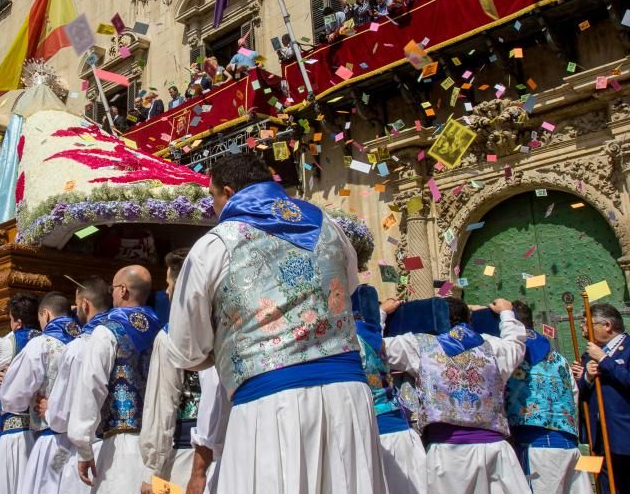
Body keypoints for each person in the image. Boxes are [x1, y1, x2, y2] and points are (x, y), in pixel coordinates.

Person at [167, 154, 385, 493]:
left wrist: (226, 350)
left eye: (212, 197)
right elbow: (348, 287)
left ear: (227, 191)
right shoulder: (330, 226)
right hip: (348, 396)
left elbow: (185, 348)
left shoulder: (215, 244)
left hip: (269, 402)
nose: (212, 207)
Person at [382, 296, 527, 494]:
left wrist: (383, 313)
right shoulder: (493, 346)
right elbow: (516, 345)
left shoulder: (420, 345)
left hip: (447, 455)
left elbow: (375, 347)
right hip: (496, 451)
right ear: (469, 320)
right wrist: (507, 313)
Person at [139, 249, 227, 494]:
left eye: (169, 284)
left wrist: (152, 471)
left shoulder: (170, 337)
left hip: (185, 456)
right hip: (231, 453)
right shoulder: (230, 331)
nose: (167, 291)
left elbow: (162, 405)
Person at [69, 266, 161, 493]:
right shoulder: (163, 330)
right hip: (160, 445)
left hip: (122, 448)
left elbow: (91, 386)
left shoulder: (107, 331)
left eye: (113, 289)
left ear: (123, 291)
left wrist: (84, 447)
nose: (111, 295)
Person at [505, 301, 590, 494]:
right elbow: (573, 395)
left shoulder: (512, 356)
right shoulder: (559, 358)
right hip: (568, 444)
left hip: (535, 447)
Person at [0, 292, 81, 494]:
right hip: (83, 442)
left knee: (47, 484)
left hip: (54, 440)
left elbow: (12, 397)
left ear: (45, 314)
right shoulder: (87, 340)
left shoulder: (42, 345)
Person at [349, 286, 425, 494]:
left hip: (364, 434)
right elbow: (372, 330)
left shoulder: (339, 342)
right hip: (396, 431)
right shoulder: (374, 337)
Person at [45, 277, 113, 494]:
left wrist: (48, 411)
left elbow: (60, 416)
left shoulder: (78, 348)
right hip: (116, 443)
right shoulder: (120, 335)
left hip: (81, 449)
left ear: (85, 304)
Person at [0, 293, 41, 494]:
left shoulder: (7, 344)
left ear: (18, 323)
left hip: (16, 436)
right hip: (43, 434)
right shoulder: (50, 341)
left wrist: (0, 369)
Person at [570, 302, 629, 494]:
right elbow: (581, 394)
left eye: (587, 323)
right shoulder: (589, 354)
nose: (582, 327)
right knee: (606, 487)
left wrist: (605, 360)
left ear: (607, 325)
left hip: (624, 434)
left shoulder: (627, 349)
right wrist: (586, 377)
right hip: (600, 437)